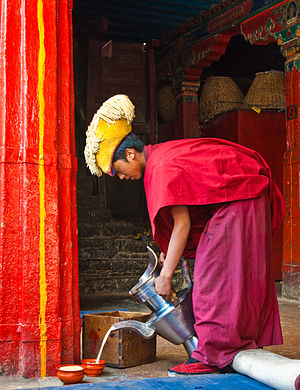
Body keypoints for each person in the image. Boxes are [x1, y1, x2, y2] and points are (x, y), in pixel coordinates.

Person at [85, 94, 284, 376]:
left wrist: (165, 276)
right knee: (233, 273)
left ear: (130, 154)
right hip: (242, 196)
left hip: (242, 195)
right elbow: (189, 208)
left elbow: (182, 224)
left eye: (117, 171)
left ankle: (212, 354)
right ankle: (237, 345)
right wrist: (167, 256)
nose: (120, 177)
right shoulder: (160, 158)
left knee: (210, 273)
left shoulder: (161, 166)